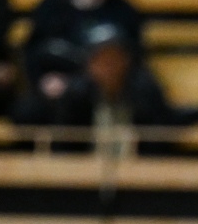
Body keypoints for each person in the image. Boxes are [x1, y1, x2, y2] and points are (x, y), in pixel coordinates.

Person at [11, 23, 174, 150]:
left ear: (127, 61)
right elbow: (64, 145)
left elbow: (158, 143)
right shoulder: (75, 94)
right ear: (89, 65)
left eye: (114, 58)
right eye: (101, 60)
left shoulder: (146, 91)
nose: (109, 66)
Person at [22, 0, 144, 106]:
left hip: (104, 90)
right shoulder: (53, 5)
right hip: (53, 87)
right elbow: (33, 50)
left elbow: (133, 60)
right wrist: (42, 81)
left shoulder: (124, 11)